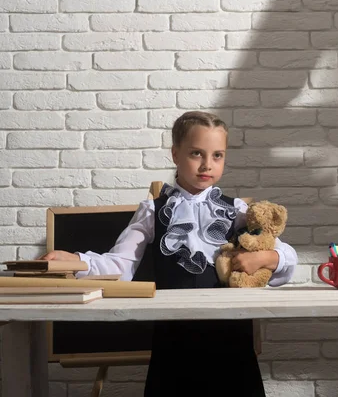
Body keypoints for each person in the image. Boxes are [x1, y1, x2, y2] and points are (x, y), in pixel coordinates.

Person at [39, 111, 298, 396]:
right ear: (175, 154)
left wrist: (265, 258)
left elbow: (285, 254)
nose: (207, 165)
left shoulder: (236, 210)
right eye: (196, 153)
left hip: (231, 333)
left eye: (217, 155)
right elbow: (121, 265)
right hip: (175, 334)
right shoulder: (152, 210)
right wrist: (77, 261)